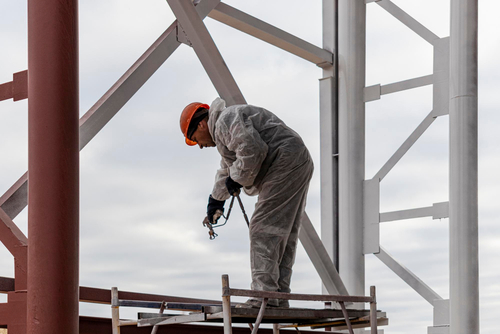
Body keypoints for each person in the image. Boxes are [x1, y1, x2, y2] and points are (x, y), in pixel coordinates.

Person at [180, 97, 314, 308]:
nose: (199, 146)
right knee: (283, 234)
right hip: (295, 160)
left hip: (284, 161)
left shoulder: (225, 121)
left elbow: (252, 150)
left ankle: (265, 295)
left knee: (262, 229)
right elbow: (229, 168)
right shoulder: (226, 130)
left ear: (201, 124)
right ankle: (278, 295)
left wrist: (236, 179)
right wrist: (216, 200)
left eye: (195, 139)